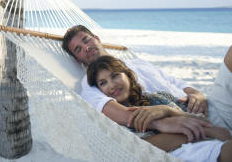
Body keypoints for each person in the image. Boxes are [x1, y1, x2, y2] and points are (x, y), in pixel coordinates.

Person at [61, 25, 232, 159]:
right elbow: (126, 116)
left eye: (86, 40)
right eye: (78, 49)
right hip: (184, 131)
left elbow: (176, 82)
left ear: (96, 39)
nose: (86, 47)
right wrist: (163, 118)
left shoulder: (138, 63)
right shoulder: (91, 85)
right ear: (77, 59)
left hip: (207, 108)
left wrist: (197, 93)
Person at [86, 55, 232, 161]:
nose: (111, 85)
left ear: (128, 76)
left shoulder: (158, 97)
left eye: (115, 75)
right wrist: (203, 131)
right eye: (103, 83)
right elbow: (144, 149)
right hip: (183, 152)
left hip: (209, 137)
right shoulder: (116, 121)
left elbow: (213, 127)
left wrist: (168, 110)